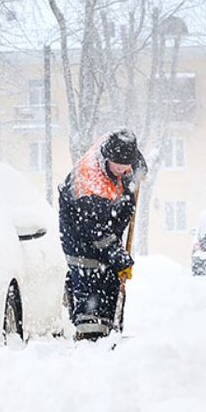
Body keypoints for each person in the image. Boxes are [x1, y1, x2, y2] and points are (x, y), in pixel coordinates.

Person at [58, 129, 143, 340]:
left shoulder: (114, 146)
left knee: (111, 281)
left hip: (105, 229)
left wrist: (138, 171)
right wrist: (120, 257)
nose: (123, 172)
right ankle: (90, 339)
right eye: (118, 168)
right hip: (80, 238)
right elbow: (98, 233)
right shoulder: (90, 184)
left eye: (127, 168)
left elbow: (136, 160)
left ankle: (109, 332)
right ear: (107, 158)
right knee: (91, 288)